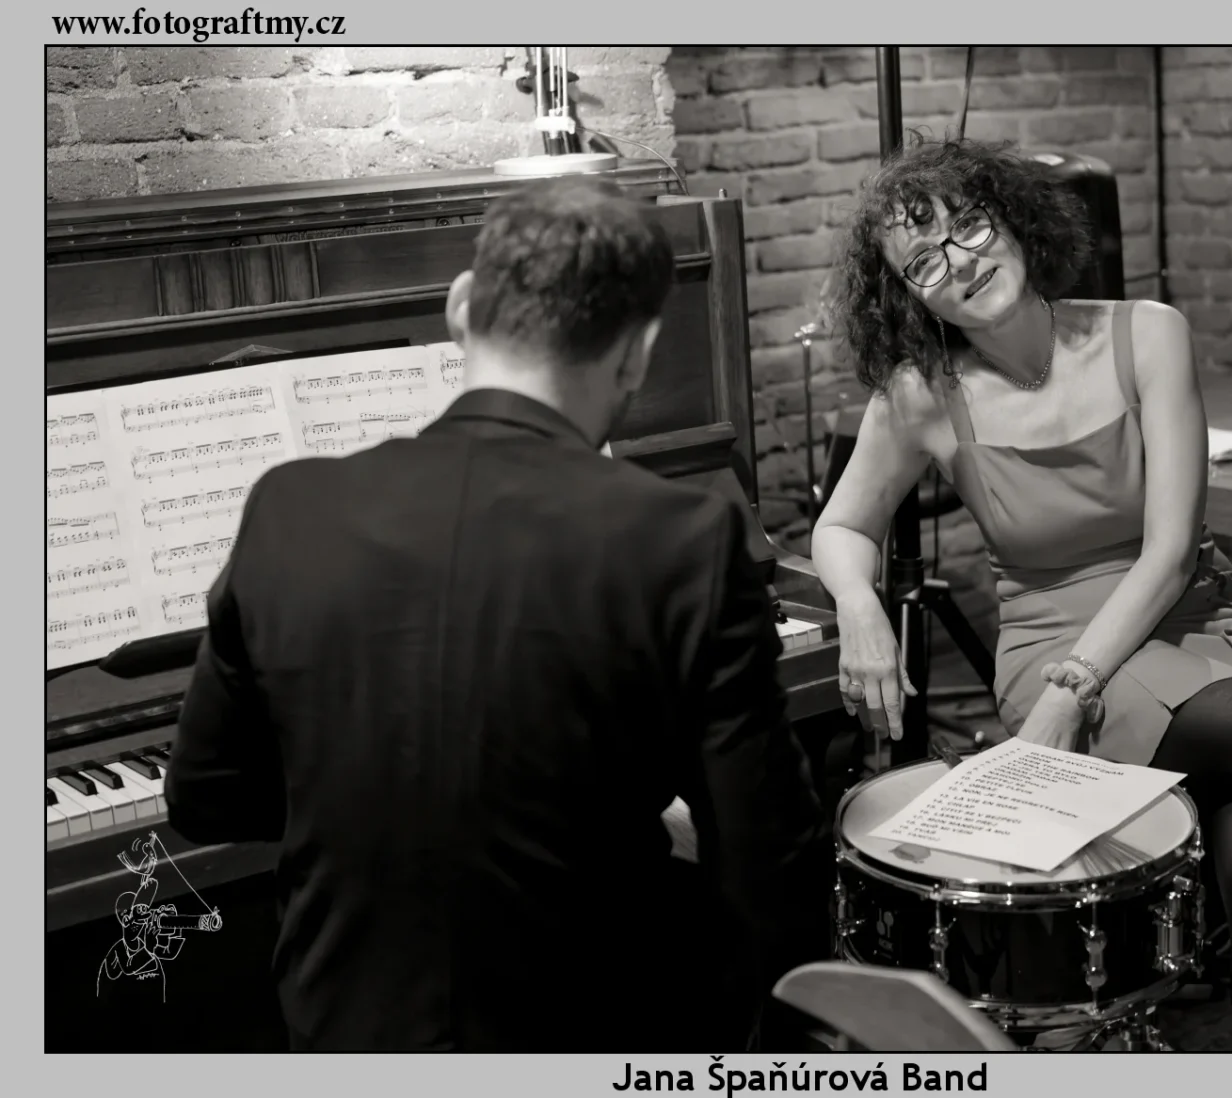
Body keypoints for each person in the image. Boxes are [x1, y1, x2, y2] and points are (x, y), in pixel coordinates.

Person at [166, 177, 831, 1052]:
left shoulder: (287, 507)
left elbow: (205, 798)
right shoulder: (684, 537)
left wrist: (372, 798)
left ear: (460, 307)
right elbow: (765, 862)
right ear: (638, 355)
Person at [810, 138, 1232, 1052]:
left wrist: (1075, 692)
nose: (961, 263)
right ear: (910, 297)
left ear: (1011, 216)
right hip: (1055, 644)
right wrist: (860, 609)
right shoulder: (922, 394)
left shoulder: (1147, 332)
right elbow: (841, 527)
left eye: (968, 226)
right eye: (924, 263)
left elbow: (1171, 552)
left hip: (1194, 618)